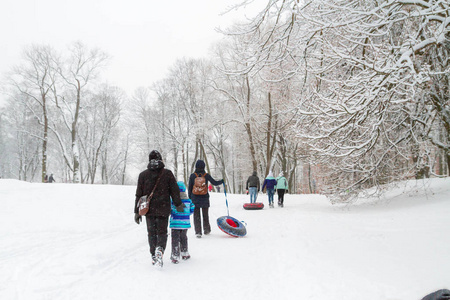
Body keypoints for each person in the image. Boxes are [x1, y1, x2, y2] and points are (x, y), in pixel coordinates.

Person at [134, 150, 184, 267]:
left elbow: (138, 194)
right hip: (163, 209)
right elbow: (174, 190)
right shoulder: (167, 173)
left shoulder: (143, 175)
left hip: (149, 210)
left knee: (151, 233)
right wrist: (178, 204)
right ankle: (160, 250)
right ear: (161, 159)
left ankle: (153, 255)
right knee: (162, 232)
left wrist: (137, 212)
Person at [188, 159, 224, 238]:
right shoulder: (206, 175)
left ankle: (198, 232)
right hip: (204, 198)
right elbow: (214, 183)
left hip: (195, 198)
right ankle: (206, 229)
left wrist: (190, 198)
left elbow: (190, 188)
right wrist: (222, 181)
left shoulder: (193, 176)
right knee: (205, 215)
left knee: (196, 215)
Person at [170, 181, 195, 264]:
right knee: (183, 237)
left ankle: (175, 255)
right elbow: (192, 209)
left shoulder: (172, 200)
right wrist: (186, 214)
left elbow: (170, 210)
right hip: (185, 223)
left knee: (175, 239)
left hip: (175, 224)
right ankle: (184, 253)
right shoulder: (188, 200)